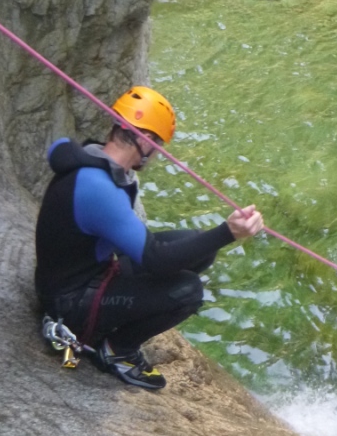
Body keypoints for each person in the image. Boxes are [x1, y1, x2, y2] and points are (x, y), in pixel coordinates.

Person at [35, 86, 264, 390]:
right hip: (71, 303)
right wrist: (228, 232)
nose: (156, 153)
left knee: (198, 246)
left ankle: (116, 333)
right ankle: (116, 350)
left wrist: (214, 238)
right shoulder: (99, 189)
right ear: (145, 141)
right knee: (188, 291)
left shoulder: (92, 159)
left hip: (84, 273)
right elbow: (156, 261)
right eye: (157, 144)